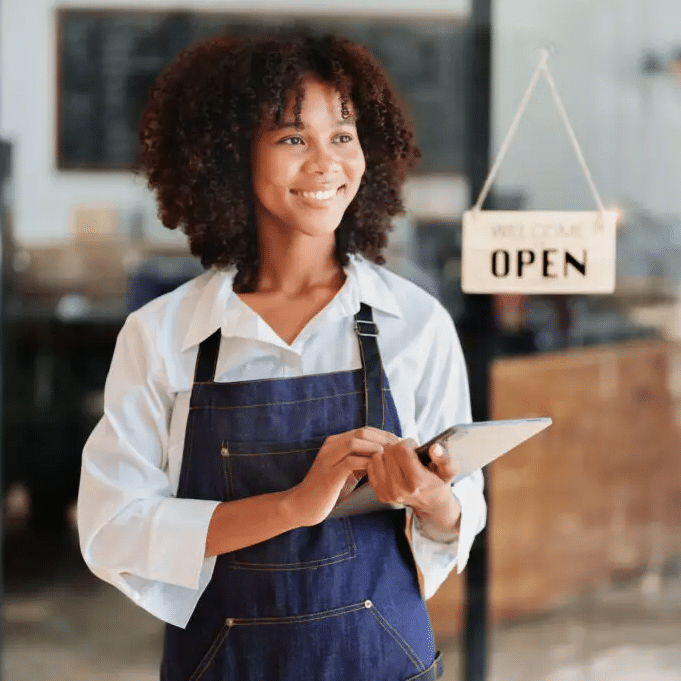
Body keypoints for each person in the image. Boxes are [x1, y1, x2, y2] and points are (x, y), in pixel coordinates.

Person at [77, 33, 486, 681]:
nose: (326, 163)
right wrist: (295, 504)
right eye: (293, 138)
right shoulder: (161, 335)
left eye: (343, 136)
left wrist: (432, 498)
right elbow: (114, 528)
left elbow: (461, 509)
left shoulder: (414, 323)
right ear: (229, 158)